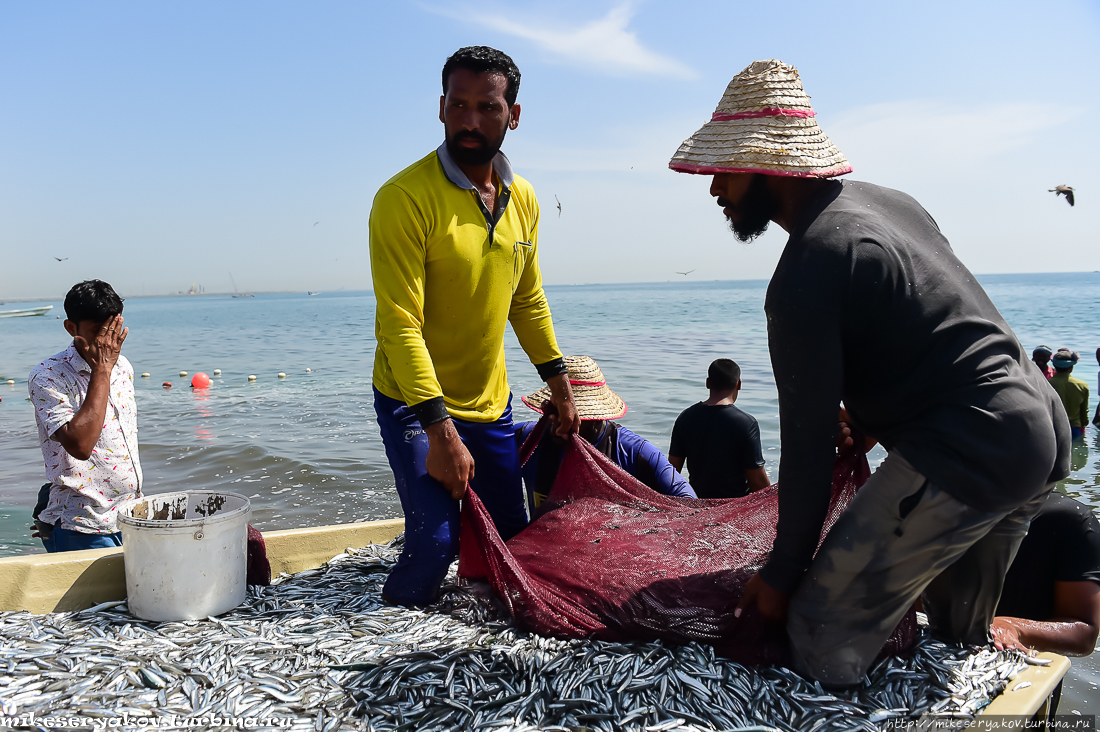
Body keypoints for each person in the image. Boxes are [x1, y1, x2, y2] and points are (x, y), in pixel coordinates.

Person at [669, 59, 1070, 685]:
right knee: (957, 633)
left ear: (761, 164)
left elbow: (802, 448)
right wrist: (872, 422)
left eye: (721, 170)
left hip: (975, 443)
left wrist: (781, 575)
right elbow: (928, 332)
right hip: (1041, 426)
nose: (714, 188)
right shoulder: (894, 203)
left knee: (816, 635)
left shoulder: (807, 268)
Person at [370, 46, 578, 607]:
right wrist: (440, 434)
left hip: (490, 403)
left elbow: (527, 300)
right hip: (414, 403)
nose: (469, 120)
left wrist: (560, 389)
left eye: (487, 107)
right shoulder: (403, 198)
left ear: (513, 114)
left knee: (509, 543)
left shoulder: (524, 199)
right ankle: (391, 633)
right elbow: (399, 325)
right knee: (436, 545)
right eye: (458, 105)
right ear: (440, 107)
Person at [28, 280, 142, 552]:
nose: (106, 343)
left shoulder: (122, 366)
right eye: (97, 333)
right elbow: (80, 445)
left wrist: (107, 366)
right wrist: (101, 369)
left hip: (130, 517)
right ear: (71, 328)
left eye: (112, 332)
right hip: (82, 524)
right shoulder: (48, 375)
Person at [515, 355, 695, 510]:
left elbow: (689, 504)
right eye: (553, 412)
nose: (557, 422)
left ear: (596, 417)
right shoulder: (526, 438)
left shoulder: (635, 453)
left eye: (573, 417)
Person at [991, 492, 1100, 656]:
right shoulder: (946, 512)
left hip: (1023, 669)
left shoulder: (1069, 519)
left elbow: (1084, 633)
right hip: (946, 657)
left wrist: (1011, 627)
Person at [668, 358, 768, 498]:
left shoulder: (685, 417)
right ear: (739, 384)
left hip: (698, 505)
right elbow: (757, 482)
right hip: (734, 508)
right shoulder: (746, 423)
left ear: (708, 383)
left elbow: (672, 472)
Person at [1049, 348, 1089, 440]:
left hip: (1053, 428)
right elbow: (1084, 413)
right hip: (1075, 428)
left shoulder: (1047, 385)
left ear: (1054, 365)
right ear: (1071, 368)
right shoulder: (1082, 385)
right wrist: (1084, 424)